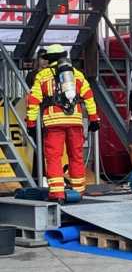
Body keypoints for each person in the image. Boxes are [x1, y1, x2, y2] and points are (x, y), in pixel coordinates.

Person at [26, 44, 100, 203]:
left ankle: (57, 193)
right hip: (75, 121)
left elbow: (33, 101)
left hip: (53, 122)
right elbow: (89, 98)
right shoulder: (77, 75)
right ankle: (79, 192)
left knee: (54, 158)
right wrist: (94, 119)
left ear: (49, 58)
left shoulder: (42, 76)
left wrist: (31, 123)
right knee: (76, 156)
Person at [25, 49, 48, 183]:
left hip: (49, 113)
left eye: (47, 59)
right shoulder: (32, 75)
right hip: (37, 112)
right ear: (37, 60)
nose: (45, 61)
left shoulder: (52, 74)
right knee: (38, 145)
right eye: (42, 58)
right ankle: (38, 174)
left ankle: (47, 174)